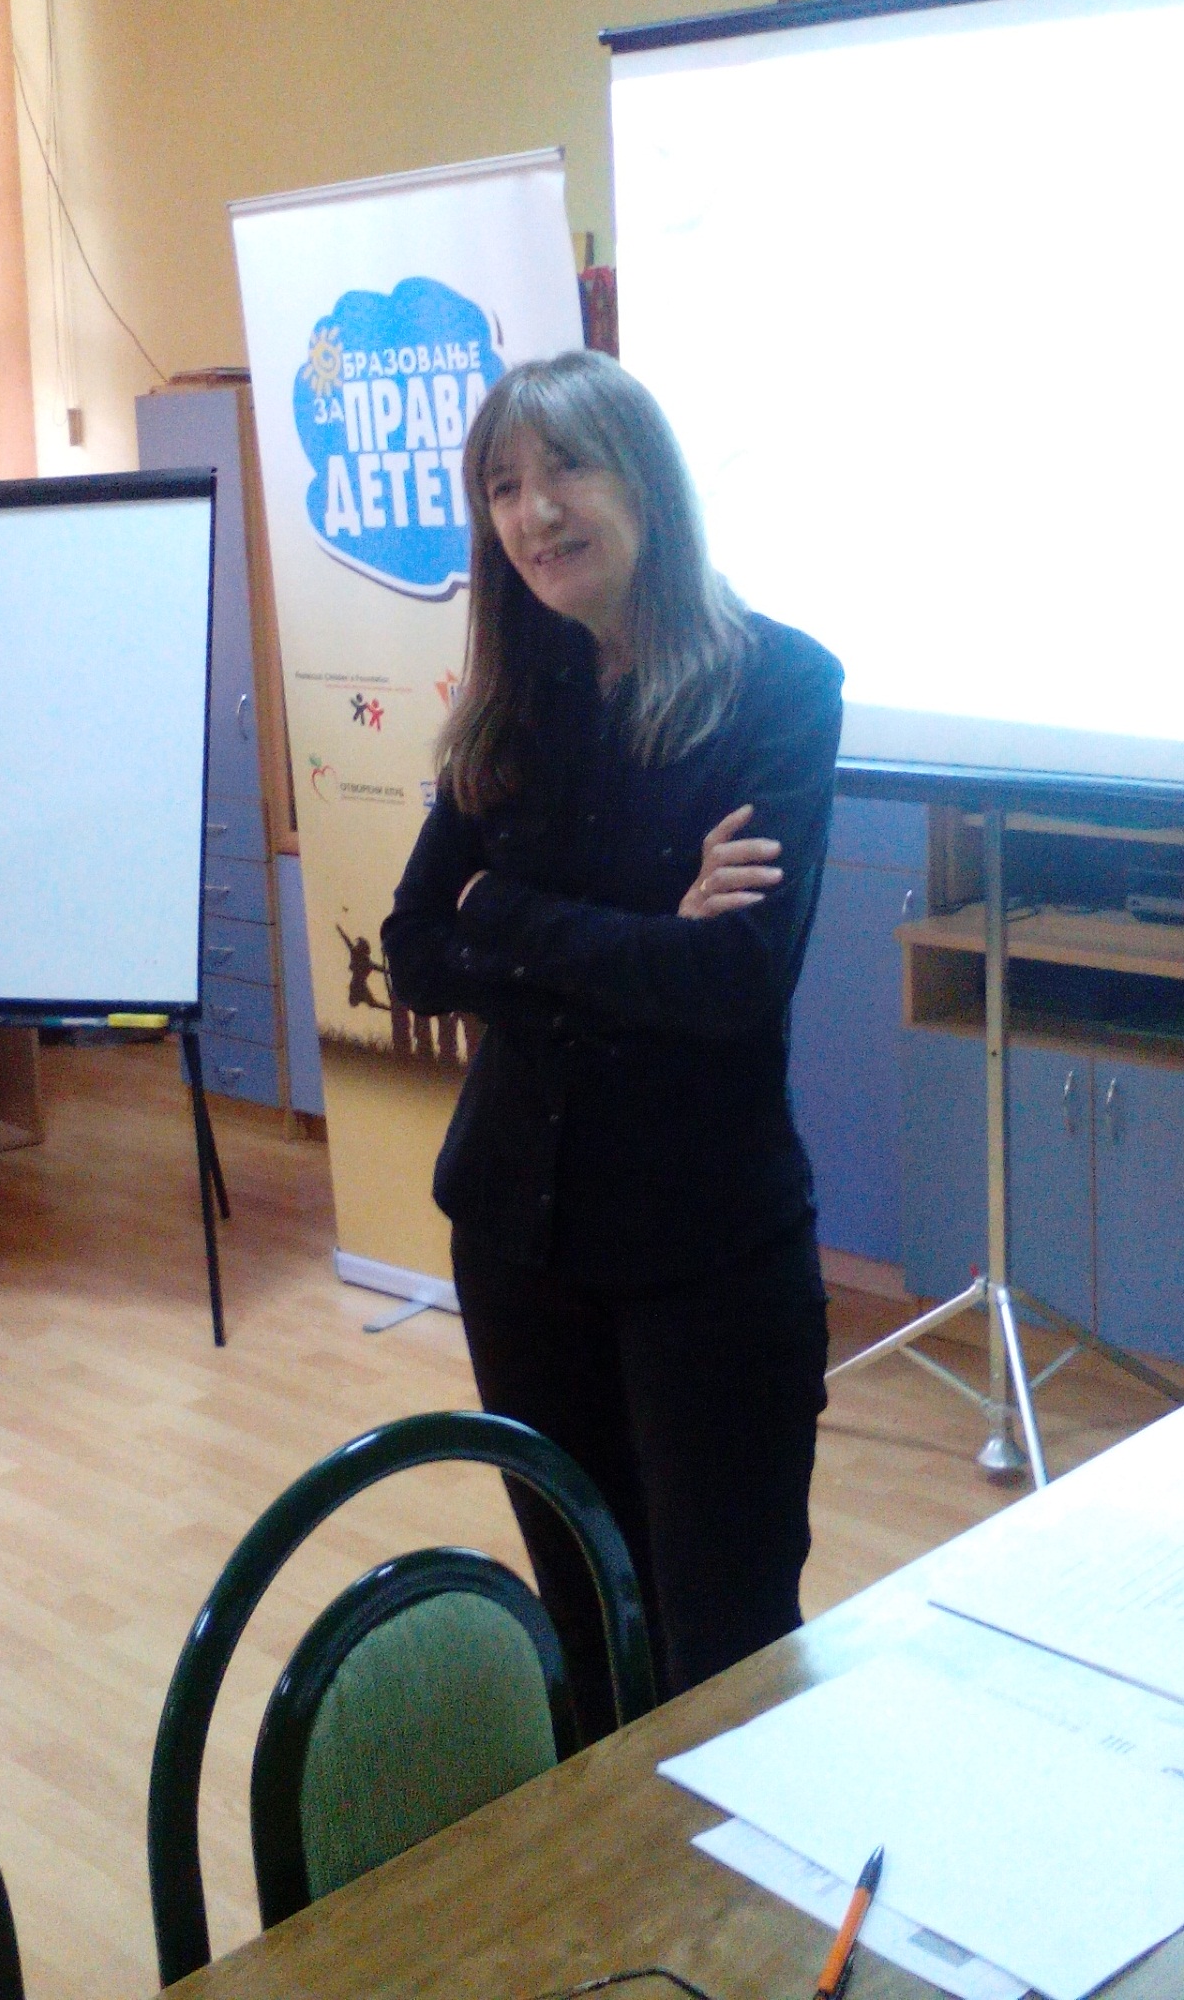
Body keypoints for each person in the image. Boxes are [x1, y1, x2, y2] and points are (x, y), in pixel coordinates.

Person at [381, 350, 843, 1739]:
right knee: (589, 1635)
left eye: (566, 469)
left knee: (727, 1654)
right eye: (501, 487)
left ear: (645, 481)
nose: (533, 513)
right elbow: (414, 949)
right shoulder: (514, 703)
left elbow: (731, 982)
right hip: (516, 1240)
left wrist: (507, 914)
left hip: (706, 1254)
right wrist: (640, 933)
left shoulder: (777, 685)